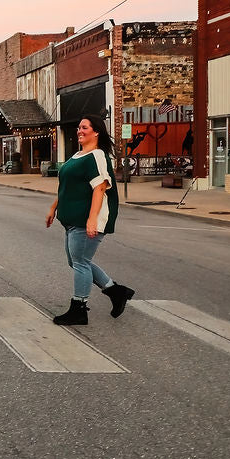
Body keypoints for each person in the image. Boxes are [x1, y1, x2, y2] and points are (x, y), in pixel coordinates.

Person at [45, 114, 135, 325]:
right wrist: (53, 208)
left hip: (86, 219)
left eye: (84, 127)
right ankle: (115, 291)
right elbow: (67, 187)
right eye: (78, 127)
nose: (80, 130)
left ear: (96, 132)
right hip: (72, 219)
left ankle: (79, 308)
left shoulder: (97, 156)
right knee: (76, 261)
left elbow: (100, 187)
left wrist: (92, 219)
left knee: (80, 263)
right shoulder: (77, 155)